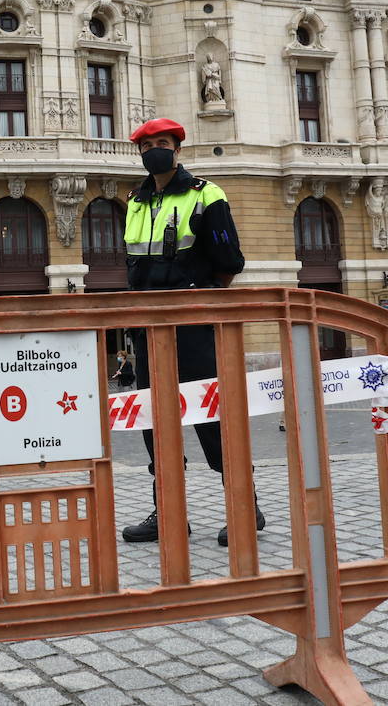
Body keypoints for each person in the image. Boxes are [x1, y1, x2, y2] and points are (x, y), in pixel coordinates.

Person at [117, 118, 253, 546]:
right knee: (153, 419)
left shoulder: (206, 194)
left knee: (210, 414)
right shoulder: (135, 202)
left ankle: (244, 507)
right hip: (147, 325)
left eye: (163, 143)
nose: (155, 150)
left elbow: (229, 262)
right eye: (148, 145)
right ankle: (168, 510)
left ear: (177, 149)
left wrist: (201, 303)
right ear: (140, 154)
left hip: (192, 324)